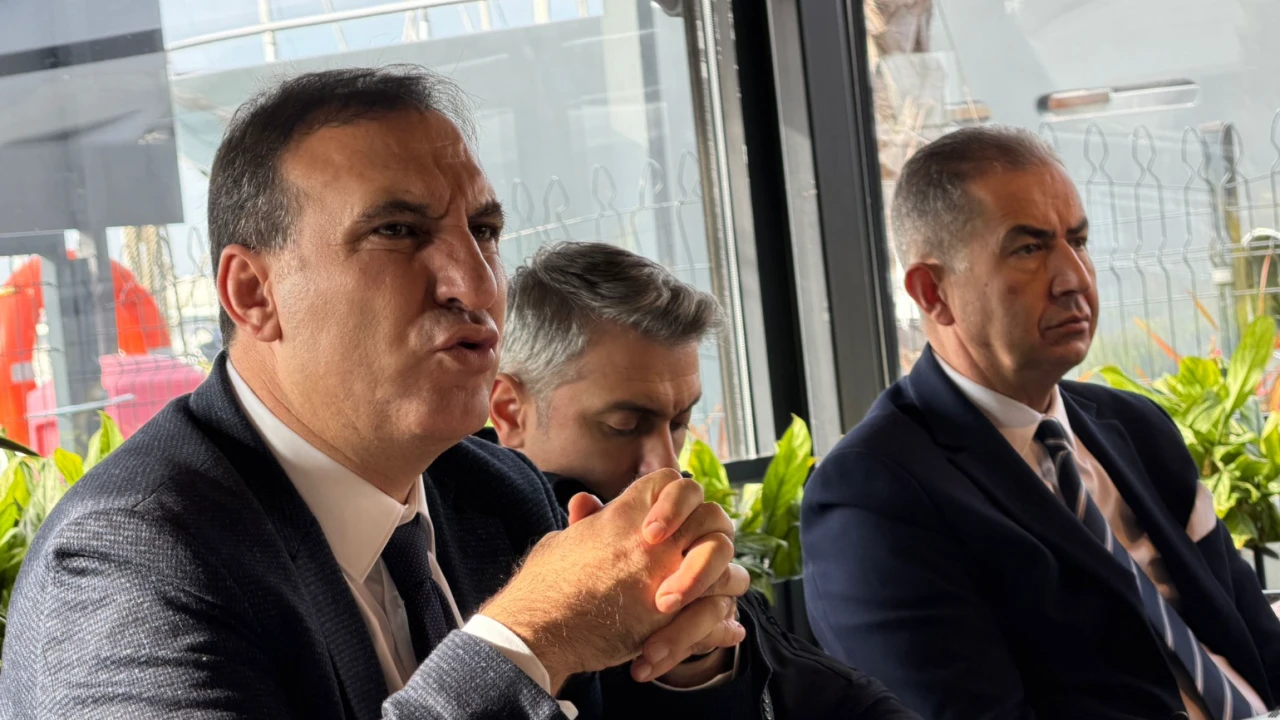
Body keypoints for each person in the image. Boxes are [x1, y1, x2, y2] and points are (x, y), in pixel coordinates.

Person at [0, 66, 759, 719]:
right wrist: (530, 635)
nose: (476, 285)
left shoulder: (496, 492)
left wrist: (679, 651)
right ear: (253, 293)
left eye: (484, 231)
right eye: (397, 231)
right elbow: (528, 652)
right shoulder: (128, 557)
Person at [801, 126, 1280, 720]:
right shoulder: (873, 494)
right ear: (932, 292)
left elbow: (1255, 638)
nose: (1075, 278)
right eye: (1029, 249)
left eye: (1078, 241)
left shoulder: (1137, 427)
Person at [485, 240, 919, 720]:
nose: (666, 466)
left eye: (679, 423)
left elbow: (826, 689)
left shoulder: (671, 532)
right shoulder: (452, 562)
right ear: (510, 411)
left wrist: (705, 658)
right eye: (623, 426)